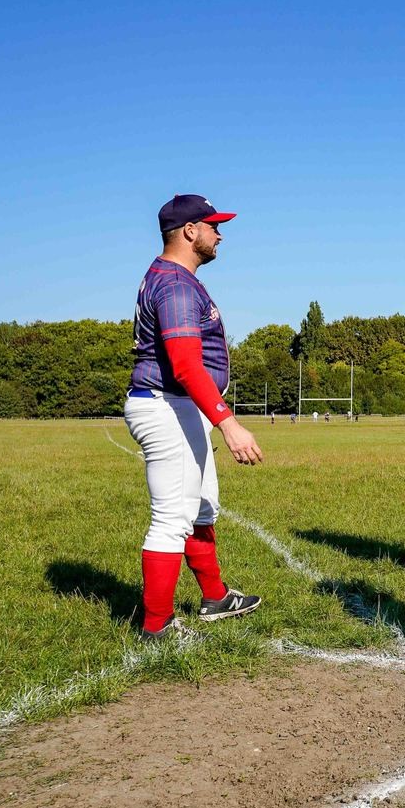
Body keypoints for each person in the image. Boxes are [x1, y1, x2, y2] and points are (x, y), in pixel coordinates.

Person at [125, 194, 263, 640]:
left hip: (178, 405)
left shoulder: (171, 277)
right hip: (168, 405)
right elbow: (185, 365)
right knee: (171, 517)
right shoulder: (176, 284)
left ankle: (216, 596)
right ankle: (156, 627)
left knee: (202, 506)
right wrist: (229, 422)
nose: (219, 234)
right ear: (189, 231)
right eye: (212, 225)